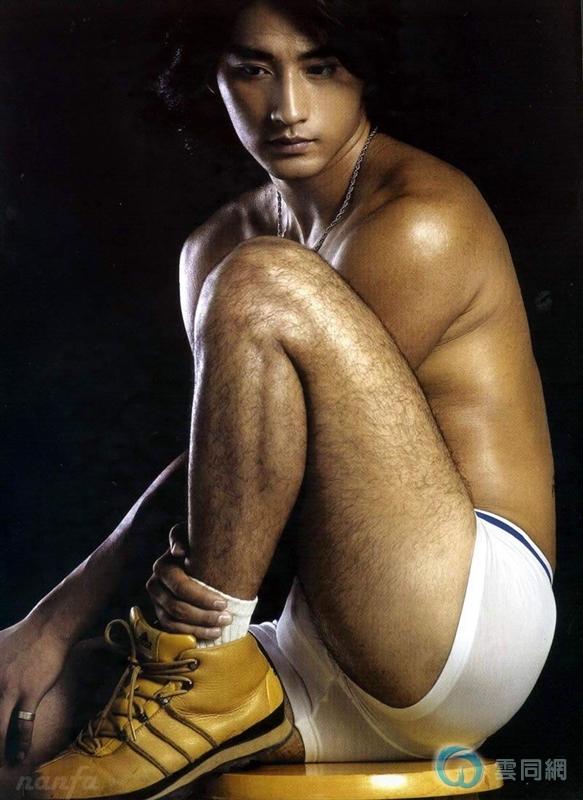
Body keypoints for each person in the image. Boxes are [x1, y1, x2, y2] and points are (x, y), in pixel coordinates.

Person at [0, 1, 557, 798]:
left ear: (362, 73)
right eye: (253, 69)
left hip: (460, 621)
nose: (287, 107)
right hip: (301, 644)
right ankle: (196, 675)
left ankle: (194, 664)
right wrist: (37, 643)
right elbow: (236, 471)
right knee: (16, 724)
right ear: (214, 78)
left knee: (263, 282)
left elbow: (282, 474)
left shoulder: (418, 219)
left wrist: (60, 622)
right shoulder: (213, 246)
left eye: (319, 67)